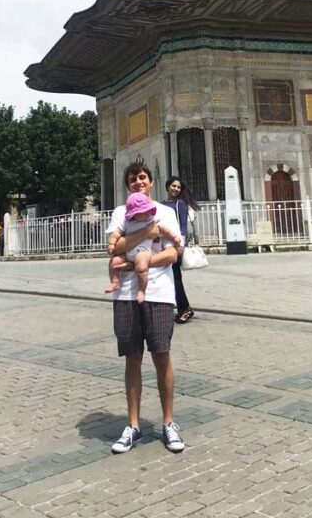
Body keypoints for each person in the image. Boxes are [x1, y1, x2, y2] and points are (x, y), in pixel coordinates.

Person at [106, 162, 185, 455]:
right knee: (132, 357)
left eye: (142, 177)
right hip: (126, 295)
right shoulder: (120, 212)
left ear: (151, 181)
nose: (138, 182)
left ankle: (168, 422)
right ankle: (133, 425)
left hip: (160, 293)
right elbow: (113, 247)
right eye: (133, 179)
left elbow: (173, 253)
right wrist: (147, 232)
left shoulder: (165, 212)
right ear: (128, 185)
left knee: (161, 355)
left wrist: (137, 262)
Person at [106, 192, 182, 304]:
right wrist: (112, 244)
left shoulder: (151, 220)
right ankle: (115, 282)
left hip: (143, 251)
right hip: (128, 252)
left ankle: (141, 290)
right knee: (114, 262)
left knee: (141, 267)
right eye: (143, 212)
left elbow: (164, 229)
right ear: (134, 214)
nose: (147, 214)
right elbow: (116, 234)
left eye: (148, 211)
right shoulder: (127, 222)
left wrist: (174, 237)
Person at [163, 178, 197, 324]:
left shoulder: (180, 204)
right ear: (167, 187)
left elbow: (183, 226)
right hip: (163, 244)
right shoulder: (162, 205)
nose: (175, 189)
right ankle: (176, 307)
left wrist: (181, 245)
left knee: (175, 277)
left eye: (178, 187)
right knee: (167, 277)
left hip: (175, 244)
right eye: (173, 186)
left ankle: (185, 308)